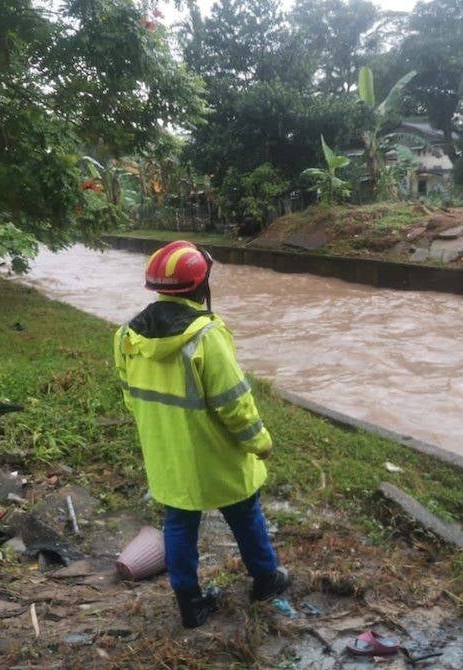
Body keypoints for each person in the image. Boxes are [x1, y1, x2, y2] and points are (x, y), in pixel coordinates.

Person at [113, 240, 290, 628]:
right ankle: (265, 581)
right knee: (245, 514)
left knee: (179, 523)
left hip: (167, 454)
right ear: (200, 285)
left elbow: (131, 398)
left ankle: (190, 604)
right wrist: (259, 442)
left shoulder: (127, 336)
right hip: (216, 454)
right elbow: (234, 402)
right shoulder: (206, 336)